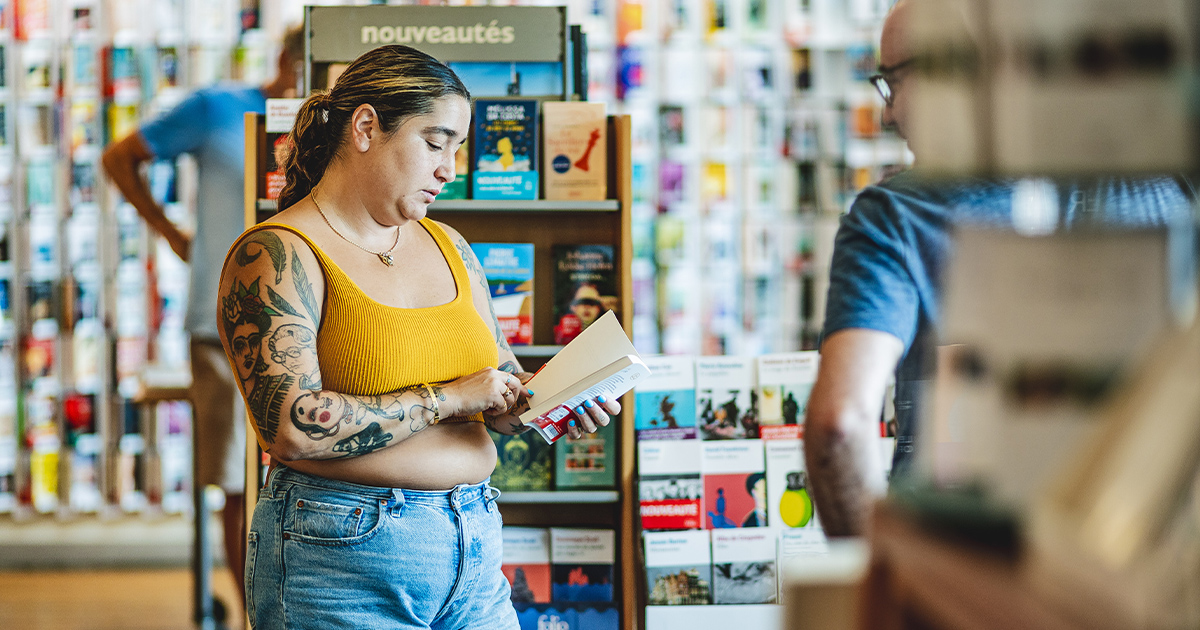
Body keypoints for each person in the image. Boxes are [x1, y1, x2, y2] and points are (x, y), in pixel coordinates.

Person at [218, 45, 619, 629]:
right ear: (365, 128)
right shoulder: (275, 253)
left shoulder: (450, 245)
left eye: (457, 148)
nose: (449, 169)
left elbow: (498, 388)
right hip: (341, 559)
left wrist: (546, 401)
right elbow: (291, 428)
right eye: (435, 143)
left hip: (475, 548)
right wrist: (450, 399)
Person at [803, 0, 1193, 537]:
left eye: (894, 81)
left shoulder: (897, 214)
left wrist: (874, 580)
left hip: (955, 570)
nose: (888, 113)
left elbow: (837, 426)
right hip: (1125, 563)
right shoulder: (1170, 190)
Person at [100, 25, 305, 614]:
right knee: (237, 479)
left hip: (312, 319)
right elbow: (120, 157)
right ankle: (253, 616)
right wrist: (171, 234)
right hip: (221, 323)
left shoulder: (340, 126)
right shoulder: (217, 107)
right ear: (289, 60)